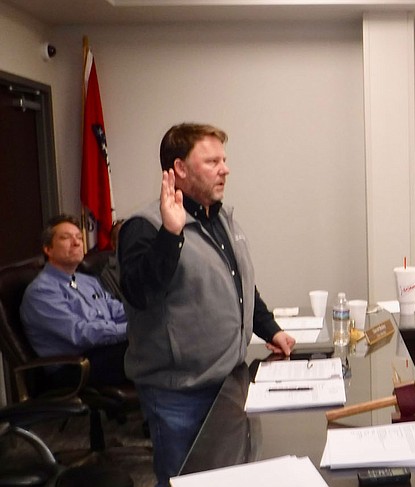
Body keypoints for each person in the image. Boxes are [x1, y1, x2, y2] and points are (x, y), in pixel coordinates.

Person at [117, 123, 296, 487]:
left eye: (224, 160)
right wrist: (171, 234)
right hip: (179, 394)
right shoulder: (145, 225)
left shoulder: (220, 218)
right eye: (212, 161)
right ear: (179, 169)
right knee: (188, 482)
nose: (225, 169)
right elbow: (139, 294)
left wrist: (270, 329)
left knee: (232, 477)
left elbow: (240, 285)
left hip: (230, 381)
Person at [20, 214, 128, 387]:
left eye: (79, 237)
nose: (77, 243)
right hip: (74, 368)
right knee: (147, 348)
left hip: (103, 353)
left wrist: (146, 320)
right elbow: (81, 333)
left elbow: (117, 310)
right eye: (66, 238)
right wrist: (132, 329)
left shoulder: (88, 281)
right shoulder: (41, 292)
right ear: (48, 249)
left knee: (156, 339)